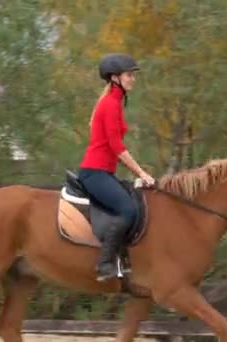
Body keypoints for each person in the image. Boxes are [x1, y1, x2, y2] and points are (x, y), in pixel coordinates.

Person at [78, 53, 156, 282]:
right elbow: (117, 147)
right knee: (128, 210)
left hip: (104, 172)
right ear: (115, 78)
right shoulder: (110, 104)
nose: (133, 79)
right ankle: (104, 264)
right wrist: (141, 173)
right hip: (94, 172)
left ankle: (124, 257)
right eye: (129, 75)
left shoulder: (114, 103)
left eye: (133, 75)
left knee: (136, 203)